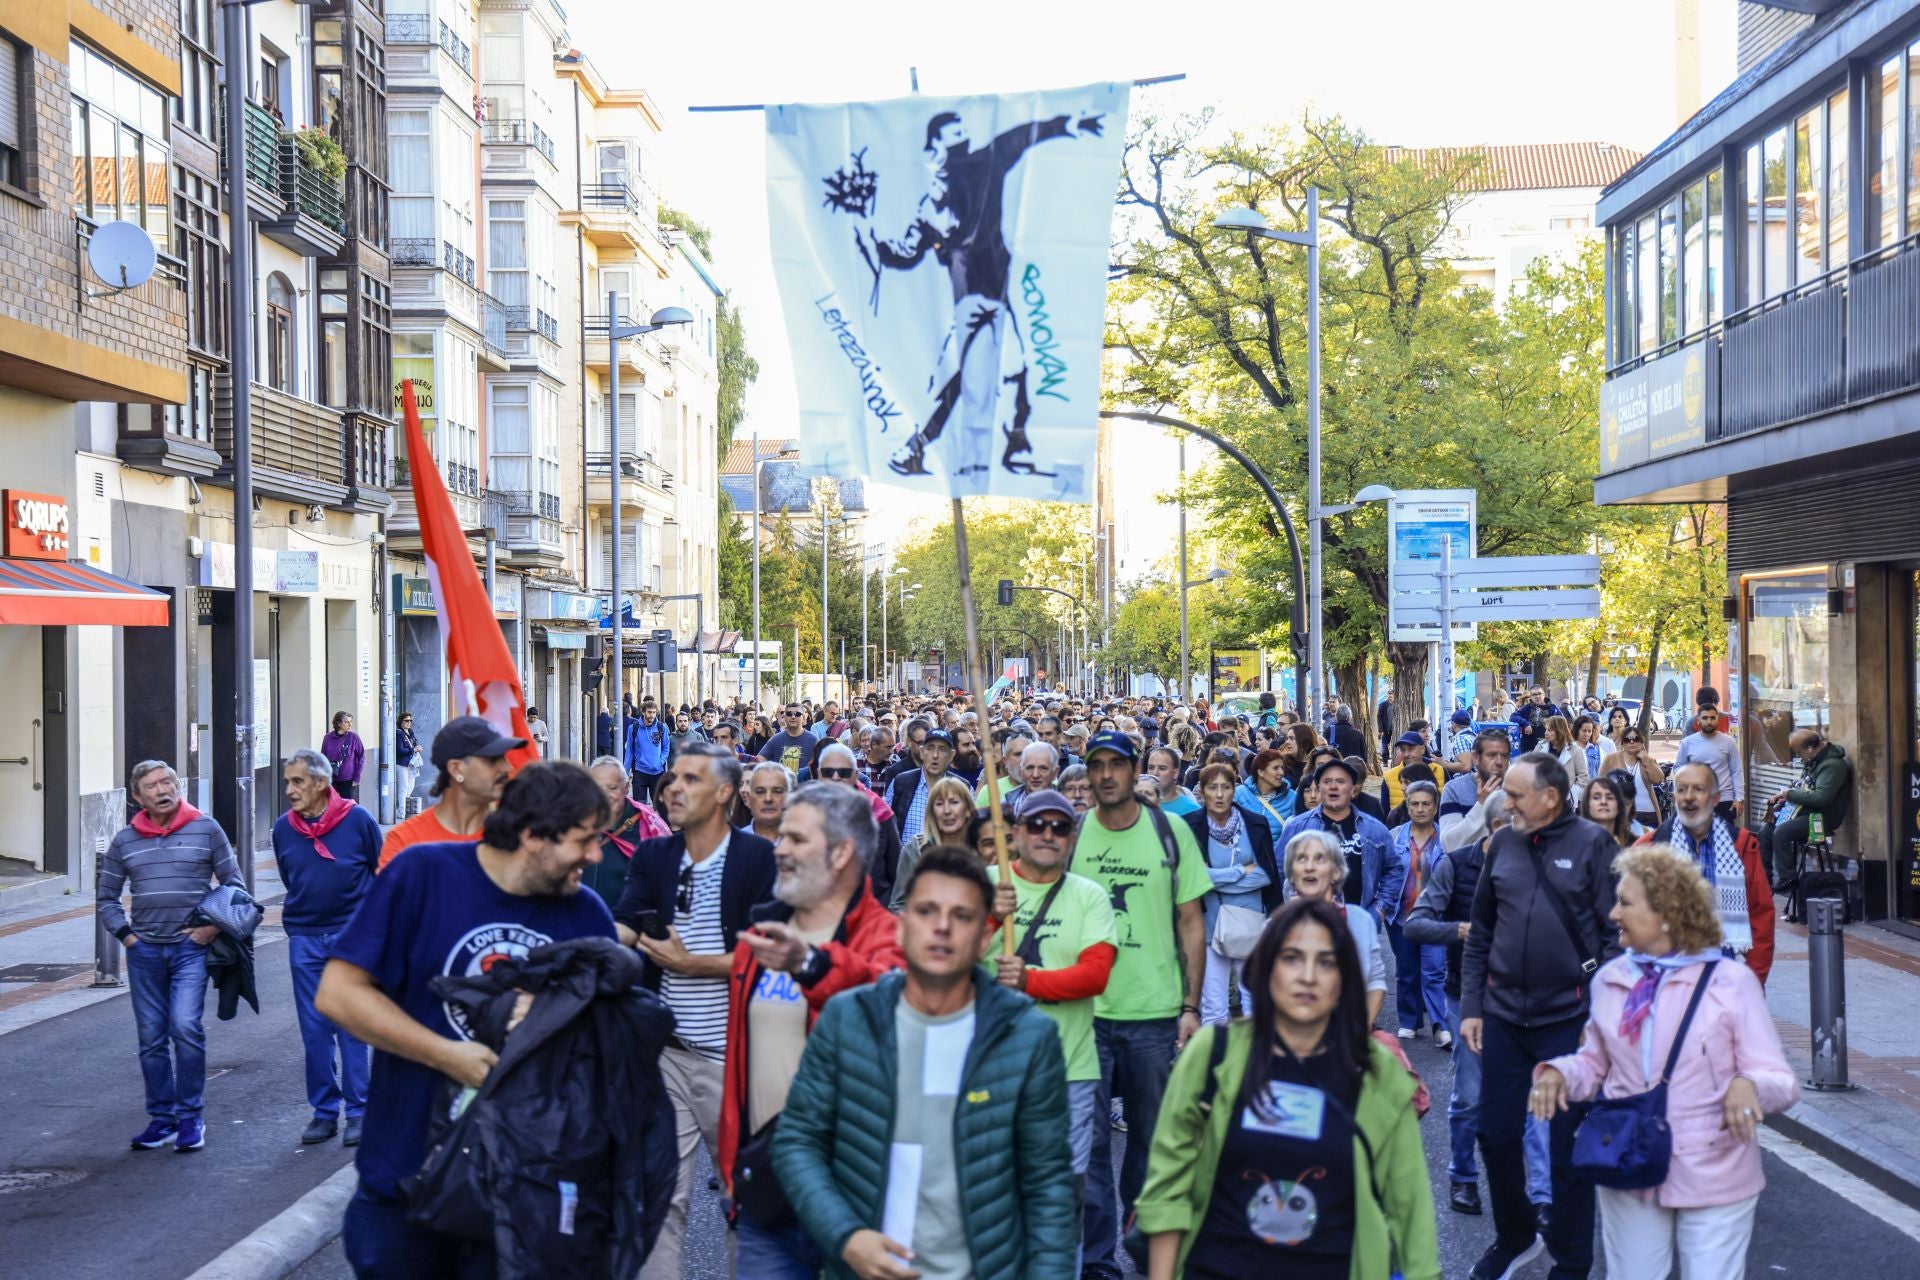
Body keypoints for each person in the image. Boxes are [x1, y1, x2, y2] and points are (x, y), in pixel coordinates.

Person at [316, 760, 616, 1278]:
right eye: (584, 840)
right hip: (405, 1181)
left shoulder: (586, 914)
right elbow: (339, 995)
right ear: (533, 835)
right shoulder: (423, 874)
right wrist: (447, 1055)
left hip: (526, 1195)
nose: (595, 856)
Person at [773, 846, 1079, 1277]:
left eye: (962, 916)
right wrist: (845, 1235)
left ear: (983, 938)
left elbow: (1048, 1185)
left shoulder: (1027, 1037)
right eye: (927, 910)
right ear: (901, 927)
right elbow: (797, 1141)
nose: (941, 927)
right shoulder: (849, 1019)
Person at [1134, 897, 1441, 1280]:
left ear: (1344, 979)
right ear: (1265, 969)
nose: (1308, 975)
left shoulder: (1379, 1074)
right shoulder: (1212, 1055)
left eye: (1326, 962)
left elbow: (1411, 1215)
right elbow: (1166, 1188)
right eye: (1292, 957)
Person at [1531, 845, 1799, 1279]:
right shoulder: (1611, 980)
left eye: (1625, 902)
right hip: (1626, 1160)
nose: (1613, 913)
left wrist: (1749, 1084)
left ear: (1668, 914)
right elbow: (1595, 1063)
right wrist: (1562, 1073)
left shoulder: (1731, 982)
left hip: (1716, 1166)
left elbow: (1781, 1081)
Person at [720, 783, 904, 1277]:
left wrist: (810, 964)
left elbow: (883, 1002)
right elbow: (742, 1066)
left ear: (842, 853)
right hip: (766, 1195)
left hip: (852, 1193)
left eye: (796, 839)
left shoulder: (887, 936)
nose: (778, 849)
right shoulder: (759, 937)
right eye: (781, 837)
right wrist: (733, 1170)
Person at [612, 742, 777, 1280]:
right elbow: (625, 925)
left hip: (739, 1061)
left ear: (726, 794)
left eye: (691, 780)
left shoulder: (758, 860)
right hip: (667, 1056)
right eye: (673, 779)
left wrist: (695, 964)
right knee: (659, 1200)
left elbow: (769, 956)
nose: (673, 789)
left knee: (746, 1201)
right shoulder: (655, 856)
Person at [1459, 752, 1621, 1280]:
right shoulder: (1503, 842)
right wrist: (1471, 1007)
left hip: (1568, 1021)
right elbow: (1480, 929)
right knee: (1495, 1134)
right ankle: (1516, 1235)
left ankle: (1572, 1261)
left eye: (1514, 795)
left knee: (1562, 1146)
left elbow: (1615, 937)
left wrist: (1598, 1016)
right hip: (1504, 1016)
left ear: (1550, 798)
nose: (1503, 803)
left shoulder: (1595, 845)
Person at [1071, 731, 1212, 1280]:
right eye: (1096, 765)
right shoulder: (1075, 834)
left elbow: (1191, 922)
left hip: (1154, 1014)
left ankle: (1143, 1233)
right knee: (1090, 1146)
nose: (1106, 775)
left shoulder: (1170, 831)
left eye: (1116, 765)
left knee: (1151, 1141)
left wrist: (1191, 1004)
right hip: (1087, 1013)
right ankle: (1098, 1259)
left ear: (1133, 771)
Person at [988, 788, 1119, 1237]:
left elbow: (1095, 975)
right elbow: (942, 962)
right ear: (1017, 833)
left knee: (1062, 1195)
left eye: (1060, 827)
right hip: (992, 1068)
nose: (1048, 834)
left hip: (1070, 1070)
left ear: (1072, 837)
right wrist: (987, 918)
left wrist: (1028, 981)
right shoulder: (989, 884)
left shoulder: (1090, 895)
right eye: (1037, 825)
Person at [99, 759, 241, 1154]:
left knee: (185, 1027)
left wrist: (211, 929)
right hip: (144, 953)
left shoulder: (206, 828)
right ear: (136, 797)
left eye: (168, 782)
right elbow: (106, 897)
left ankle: (190, 1117)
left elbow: (235, 885)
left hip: (189, 951)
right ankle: (162, 1119)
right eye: (152, 786)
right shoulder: (125, 841)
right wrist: (127, 938)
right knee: (150, 1039)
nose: (163, 790)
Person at [273, 748, 379, 1147]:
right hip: (304, 937)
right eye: (286, 782)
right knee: (314, 1029)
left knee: (351, 1027)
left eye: (297, 781)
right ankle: (323, 1113)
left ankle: (358, 1112)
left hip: (352, 936)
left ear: (321, 783)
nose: (289, 790)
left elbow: (379, 870)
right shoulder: (283, 828)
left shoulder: (358, 820)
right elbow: (292, 879)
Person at [1641, 762, 1776, 987]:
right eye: (1682, 789)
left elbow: (1760, 914)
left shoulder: (1742, 846)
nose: (1689, 797)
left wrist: (1753, 979)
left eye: (1698, 789)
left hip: (1728, 975)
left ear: (1715, 798)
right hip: (1665, 978)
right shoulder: (1648, 847)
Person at [1184, 763, 1282, 1025]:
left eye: (1225, 787)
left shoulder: (1255, 824)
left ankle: (1255, 1062)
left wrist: (1215, 877)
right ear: (1202, 792)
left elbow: (1265, 874)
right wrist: (1240, 871)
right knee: (1213, 1007)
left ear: (1234, 790)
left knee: (1255, 1002)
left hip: (1249, 920)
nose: (1219, 794)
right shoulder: (1190, 826)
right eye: (1212, 787)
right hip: (1209, 924)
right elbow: (1194, 878)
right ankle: (1217, 1062)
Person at [378, 716, 522, 871]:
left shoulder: (517, 835)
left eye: (504, 758)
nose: (507, 768)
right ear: (456, 769)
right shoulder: (404, 842)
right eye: (493, 760)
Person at [1279, 758, 1402, 928]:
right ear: (1319, 788)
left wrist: (1379, 909)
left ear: (1353, 790)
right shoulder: (1297, 827)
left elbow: (1394, 869)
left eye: (1340, 781)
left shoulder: (1375, 830)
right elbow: (1280, 870)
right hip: (1309, 923)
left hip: (1359, 922)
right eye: (1327, 781)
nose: (1333, 786)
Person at [1282, 829, 1387, 1022]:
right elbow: (1258, 989)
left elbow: (1376, 982)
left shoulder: (1360, 921)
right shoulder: (1277, 926)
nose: (1309, 867)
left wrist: (1359, 1031)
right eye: (1301, 859)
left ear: (1336, 872)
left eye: (1319, 859)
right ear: (1291, 873)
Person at [1387, 781, 1449, 1044]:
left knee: (1434, 971)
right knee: (1407, 970)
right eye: (1415, 804)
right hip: (1402, 917)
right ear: (1407, 805)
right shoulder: (1394, 836)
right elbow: (1385, 874)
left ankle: (1441, 1024)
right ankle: (1409, 1020)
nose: (1420, 809)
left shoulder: (1446, 837)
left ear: (1435, 807)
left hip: (1435, 918)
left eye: (1426, 804)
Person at [813, 742, 905, 905]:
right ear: (819, 775)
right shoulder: (804, 812)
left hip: (871, 913)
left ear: (855, 775)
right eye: (828, 772)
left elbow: (896, 872)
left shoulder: (878, 811)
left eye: (844, 772)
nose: (835, 777)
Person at [1765, 728, 1854, 893]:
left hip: (1821, 818)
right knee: (1767, 829)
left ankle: (1787, 878)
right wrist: (1784, 797)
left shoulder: (1833, 766)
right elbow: (1803, 788)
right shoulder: (1812, 761)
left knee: (1781, 832)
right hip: (1803, 811)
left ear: (1810, 749)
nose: (1799, 757)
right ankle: (1765, 878)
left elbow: (1821, 797)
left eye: (1799, 753)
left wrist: (1790, 795)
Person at [581, 756, 672, 907]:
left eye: (612, 788)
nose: (605, 796)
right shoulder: (576, 823)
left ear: (626, 787)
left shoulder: (649, 826)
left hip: (630, 925)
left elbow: (667, 881)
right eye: (598, 789)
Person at [890, 774, 976, 911]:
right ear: (931, 811)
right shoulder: (916, 848)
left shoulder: (980, 849)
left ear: (968, 810)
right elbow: (899, 905)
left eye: (954, 802)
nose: (947, 811)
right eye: (939, 804)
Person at [1438, 727, 1512, 851]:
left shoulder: (1516, 789)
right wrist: (1482, 805)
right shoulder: (1455, 789)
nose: (1499, 762)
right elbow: (1449, 844)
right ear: (1476, 758)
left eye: (1504, 756)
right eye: (1492, 755)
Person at [885, 726, 960, 842]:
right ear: (921, 752)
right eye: (930, 748)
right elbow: (886, 826)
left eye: (942, 749)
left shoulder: (961, 788)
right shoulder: (901, 783)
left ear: (951, 755)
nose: (935, 755)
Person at [1673, 702, 1742, 823]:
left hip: (1724, 801)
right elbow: (1678, 769)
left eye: (1712, 717)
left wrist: (1739, 799)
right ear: (1698, 720)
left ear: (1717, 719)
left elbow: (1737, 771)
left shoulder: (1729, 742)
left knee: (1723, 840)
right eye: (1705, 718)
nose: (1709, 722)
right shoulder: (1687, 743)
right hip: (1696, 801)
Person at [1600, 725, 1665, 830]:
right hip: (1622, 814)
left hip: (1648, 813)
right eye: (1627, 740)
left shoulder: (1648, 760)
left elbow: (1658, 779)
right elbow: (1601, 784)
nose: (1631, 742)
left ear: (1641, 742)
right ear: (1622, 743)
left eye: (1635, 739)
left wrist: (1645, 759)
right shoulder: (1611, 759)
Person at [1233, 747, 1295, 848]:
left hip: (1277, 861)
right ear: (1260, 772)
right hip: (1245, 860)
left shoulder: (1292, 798)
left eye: (1282, 768)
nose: (1281, 772)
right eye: (1275, 768)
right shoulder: (1239, 794)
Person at [625, 701, 671, 806]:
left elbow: (666, 747)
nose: (652, 715)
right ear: (643, 712)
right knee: (639, 808)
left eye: (654, 712)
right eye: (649, 712)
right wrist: (625, 773)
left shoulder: (661, 727)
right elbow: (629, 752)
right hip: (640, 773)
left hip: (657, 773)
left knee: (659, 808)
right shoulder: (633, 728)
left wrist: (660, 761)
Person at [1580, 773, 1641, 848]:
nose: (1603, 801)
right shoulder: (1575, 843)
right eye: (1596, 797)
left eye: (1609, 797)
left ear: (1619, 806)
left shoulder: (1636, 845)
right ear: (1587, 804)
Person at [760, 702, 820, 776]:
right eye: (789, 714)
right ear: (784, 717)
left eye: (797, 714)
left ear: (804, 717)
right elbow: (760, 759)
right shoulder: (775, 739)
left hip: (805, 786)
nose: (793, 717)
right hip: (782, 785)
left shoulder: (813, 740)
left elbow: (821, 764)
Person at [741, 760, 791, 846]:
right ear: (749, 799)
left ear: (788, 797)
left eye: (777, 792)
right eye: (760, 792)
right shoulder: (734, 843)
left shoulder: (802, 841)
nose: (768, 799)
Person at [1545, 714, 1590, 807]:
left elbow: (1583, 776)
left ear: (1559, 731)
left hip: (1565, 800)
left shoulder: (1575, 749)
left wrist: (1572, 793)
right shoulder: (1540, 746)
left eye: (1549, 730)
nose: (1546, 733)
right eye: (1546, 729)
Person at [322, 711, 367, 800]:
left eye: (351, 722)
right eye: (347, 722)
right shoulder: (327, 738)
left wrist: (357, 777)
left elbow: (361, 757)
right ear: (338, 723)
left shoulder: (354, 737)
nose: (350, 725)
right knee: (331, 806)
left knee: (347, 808)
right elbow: (322, 757)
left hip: (348, 780)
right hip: (331, 779)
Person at [1145, 745, 1198, 816]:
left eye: (1162, 768)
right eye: (1151, 768)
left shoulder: (1192, 811)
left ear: (1175, 773)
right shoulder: (1137, 806)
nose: (1155, 773)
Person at [1510, 686, 1556, 756]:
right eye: (1534, 694)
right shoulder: (1527, 708)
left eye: (1539, 693)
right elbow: (1513, 717)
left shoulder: (1553, 708)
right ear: (1531, 696)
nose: (1537, 696)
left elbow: (1562, 723)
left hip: (1547, 746)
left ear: (1543, 694)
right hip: (1528, 746)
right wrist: (1525, 724)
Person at [393, 712, 423, 814]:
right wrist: (413, 750)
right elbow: (400, 750)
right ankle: (402, 811)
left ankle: (403, 807)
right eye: (406, 720)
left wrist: (417, 747)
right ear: (401, 721)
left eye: (410, 721)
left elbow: (415, 743)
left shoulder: (410, 732)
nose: (409, 723)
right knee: (403, 787)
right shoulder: (398, 734)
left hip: (412, 763)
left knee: (411, 786)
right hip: (402, 763)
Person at [1573, 714, 1611, 784]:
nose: (1587, 734)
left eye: (1589, 731)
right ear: (1577, 730)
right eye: (1584, 731)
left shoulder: (1597, 749)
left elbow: (1603, 771)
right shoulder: (1569, 748)